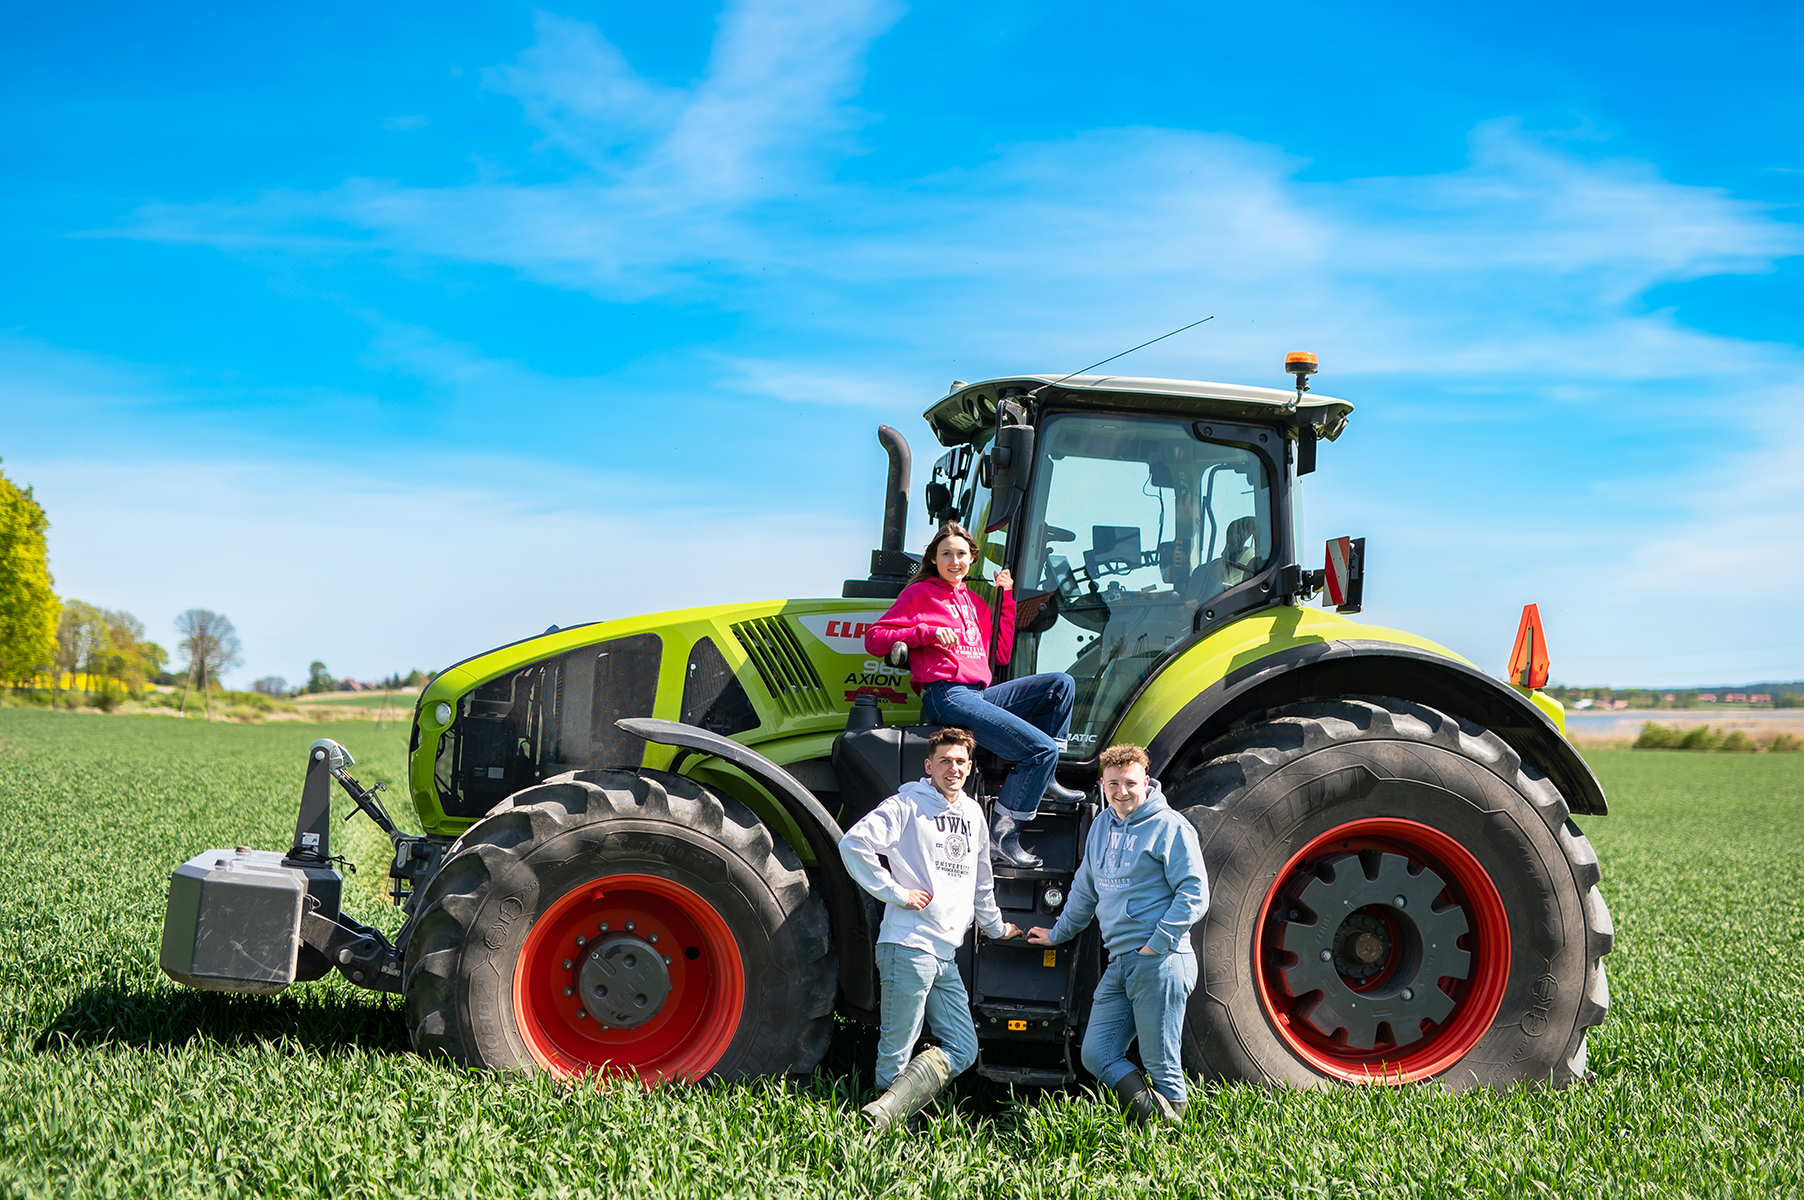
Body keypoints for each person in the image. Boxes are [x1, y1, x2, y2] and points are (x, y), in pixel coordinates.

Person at [864, 520, 1082, 869]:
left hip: (977, 694)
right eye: (946, 554)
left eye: (961, 554)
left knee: (1060, 685)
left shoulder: (977, 604)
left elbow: (1001, 654)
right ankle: (1001, 840)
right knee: (1039, 750)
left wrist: (1005, 599)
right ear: (934, 559)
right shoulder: (919, 595)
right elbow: (875, 638)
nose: (954, 560)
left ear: (972, 559)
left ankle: (1047, 779)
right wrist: (926, 633)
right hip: (946, 695)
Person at [838, 726, 1021, 1129]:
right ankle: (881, 1132)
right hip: (907, 946)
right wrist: (896, 893)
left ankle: (887, 1114)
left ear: (970, 768)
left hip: (944, 954)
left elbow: (981, 879)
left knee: (963, 1044)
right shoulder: (907, 805)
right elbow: (853, 844)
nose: (952, 768)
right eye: (944, 761)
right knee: (897, 1048)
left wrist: (994, 927)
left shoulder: (973, 814)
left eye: (959, 762)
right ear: (929, 766)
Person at [1028, 742, 1206, 1125]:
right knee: (1096, 1052)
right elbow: (1085, 888)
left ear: (1146, 780)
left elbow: (1194, 892)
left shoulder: (1169, 826)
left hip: (1158, 958)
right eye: (1112, 785)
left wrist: (1156, 944)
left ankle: (1172, 1143)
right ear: (1103, 785)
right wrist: (1058, 933)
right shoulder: (1102, 826)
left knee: (1161, 1061)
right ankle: (1154, 1121)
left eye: (1129, 783)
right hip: (1121, 959)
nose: (1121, 792)